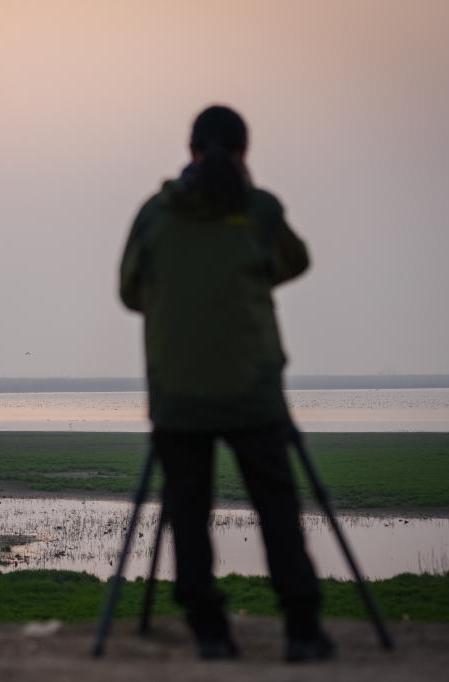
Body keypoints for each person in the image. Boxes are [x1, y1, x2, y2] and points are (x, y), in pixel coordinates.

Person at [118, 105, 333, 662]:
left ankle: (210, 633)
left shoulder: (155, 214)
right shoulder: (257, 210)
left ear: (189, 150)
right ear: (244, 153)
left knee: (187, 509)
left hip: (178, 395)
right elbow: (294, 261)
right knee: (276, 506)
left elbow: (130, 292)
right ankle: (303, 631)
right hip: (252, 391)